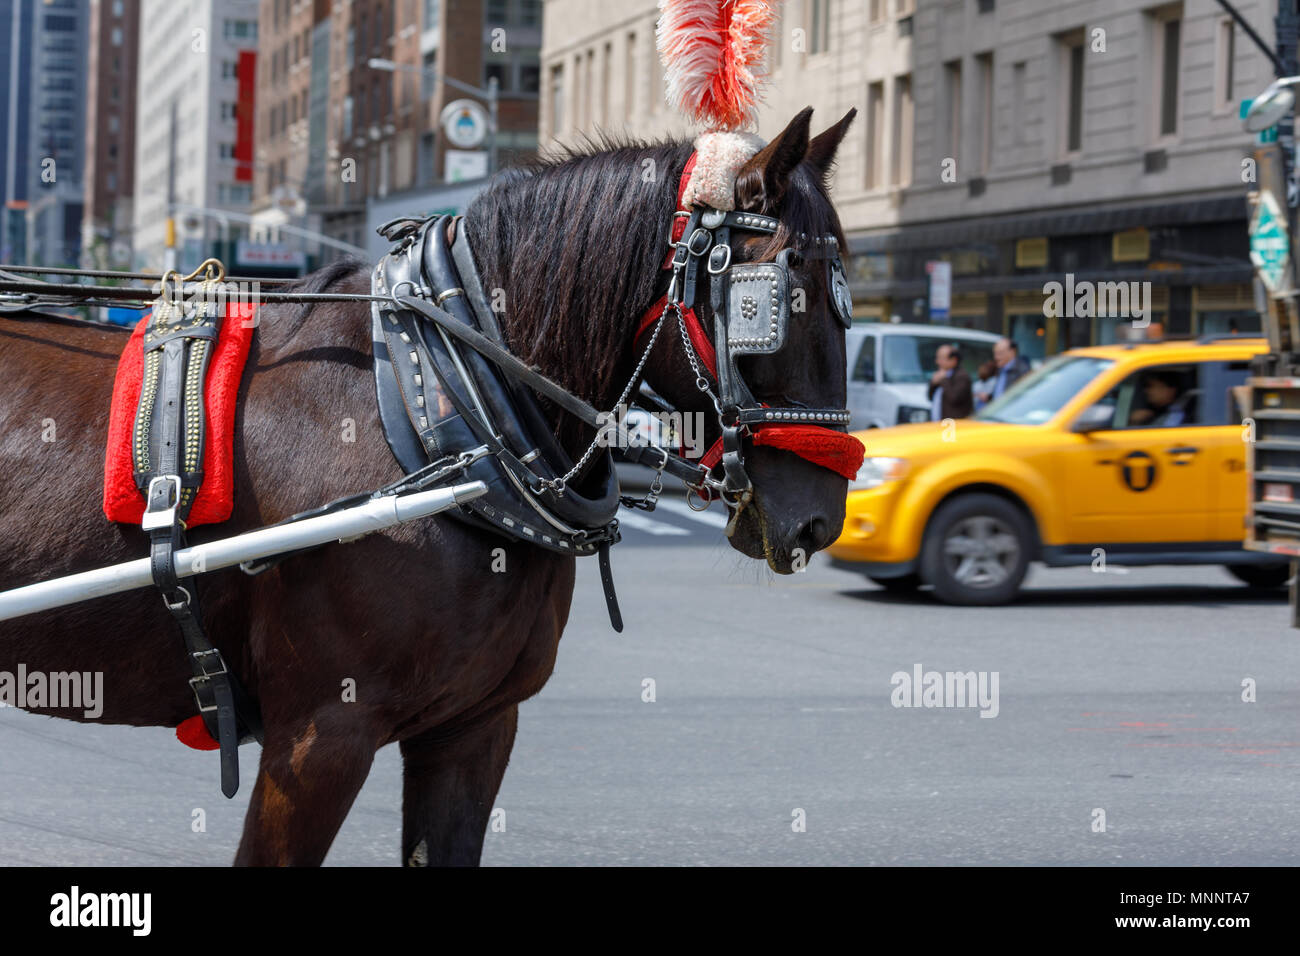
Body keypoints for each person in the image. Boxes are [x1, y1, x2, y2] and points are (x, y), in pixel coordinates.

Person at [975, 338, 1031, 405]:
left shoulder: (1022, 371)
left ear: (1012, 352)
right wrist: (989, 397)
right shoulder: (1000, 369)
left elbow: (1022, 399)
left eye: (1000, 353)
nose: (996, 357)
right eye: (995, 353)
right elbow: (1000, 393)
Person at [1129, 370, 1193, 427]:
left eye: (1151, 386)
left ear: (1170, 390)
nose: (1147, 391)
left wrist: (1134, 423)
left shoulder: (1176, 414)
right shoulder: (1158, 411)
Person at [928, 343, 973, 420]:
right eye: (937, 358)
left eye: (941, 358)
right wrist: (933, 383)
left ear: (953, 360)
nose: (937, 362)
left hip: (955, 425)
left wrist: (943, 379)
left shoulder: (962, 376)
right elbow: (930, 397)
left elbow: (954, 398)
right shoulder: (942, 373)